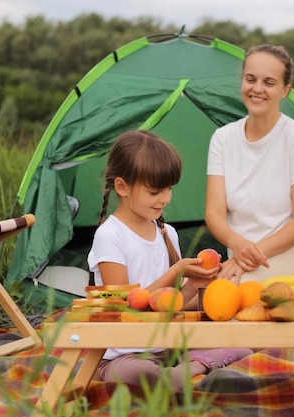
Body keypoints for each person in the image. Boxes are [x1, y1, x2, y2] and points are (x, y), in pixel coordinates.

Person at [87, 130, 252, 389]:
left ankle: (187, 369)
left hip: (169, 346)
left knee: (242, 344)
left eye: (169, 189)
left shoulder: (166, 233)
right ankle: (191, 369)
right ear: (122, 187)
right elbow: (122, 307)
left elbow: (169, 304)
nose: (165, 198)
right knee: (141, 372)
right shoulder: (110, 236)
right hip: (124, 354)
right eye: (155, 192)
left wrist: (199, 287)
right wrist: (176, 273)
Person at [205, 44, 294, 284]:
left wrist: (252, 254)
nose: (257, 89)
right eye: (251, 79)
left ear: (285, 90)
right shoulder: (223, 138)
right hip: (241, 259)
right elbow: (214, 213)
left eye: (269, 82)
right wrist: (239, 246)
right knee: (192, 287)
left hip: (292, 256)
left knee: (225, 294)